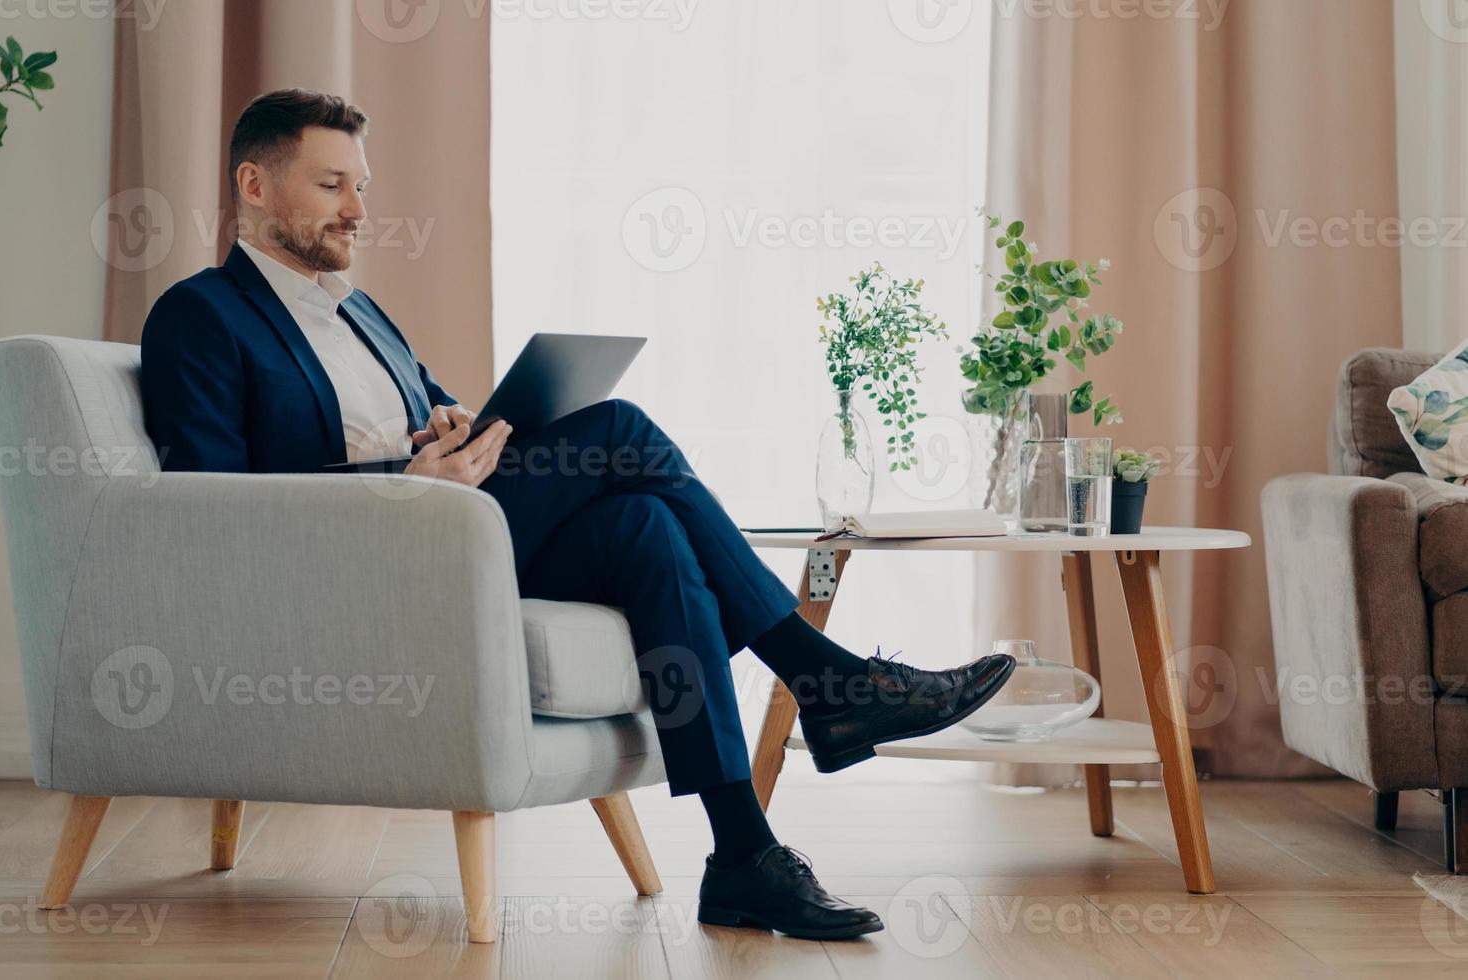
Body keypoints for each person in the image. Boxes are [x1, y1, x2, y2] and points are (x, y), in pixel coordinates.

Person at [139, 88, 1015, 942]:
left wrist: (452, 431)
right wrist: (404, 482)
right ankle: (830, 681)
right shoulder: (200, 315)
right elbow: (215, 501)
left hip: (451, 533)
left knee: (650, 529)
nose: (358, 209)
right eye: (333, 186)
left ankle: (744, 854)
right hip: (364, 561)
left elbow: (439, 409)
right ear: (254, 187)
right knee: (622, 432)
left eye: (362, 186)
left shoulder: (360, 312)